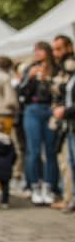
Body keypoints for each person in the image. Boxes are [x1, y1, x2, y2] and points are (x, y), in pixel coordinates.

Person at [18, 42, 58, 206]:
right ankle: (34, 185)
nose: (37, 53)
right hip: (32, 108)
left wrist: (48, 80)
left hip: (50, 109)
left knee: (50, 150)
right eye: (35, 51)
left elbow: (58, 91)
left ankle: (49, 187)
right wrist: (30, 78)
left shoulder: (55, 68)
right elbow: (21, 92)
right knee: (33, 150)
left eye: (40, 50)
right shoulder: (30, 68)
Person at [51, 35, 75, 212]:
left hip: (70, 119)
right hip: (68, 125)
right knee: (70, 162)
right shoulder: (65, 72)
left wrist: (65, 111)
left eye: (59, 49)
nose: (56, 54)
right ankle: (71, 197)